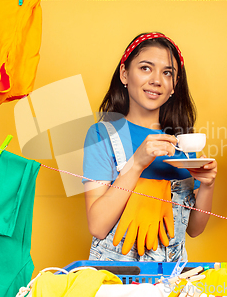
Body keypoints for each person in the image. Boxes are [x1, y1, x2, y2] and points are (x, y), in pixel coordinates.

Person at [82, 32, 217, 262]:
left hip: (171, 280)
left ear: (174, 85)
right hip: (117, 278)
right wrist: (136, 164)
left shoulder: (183, 144)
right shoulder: (102, 135)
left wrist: (207, 185)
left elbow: (194, 229)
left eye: (167, 73)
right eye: (146, 68)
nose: (157, 80)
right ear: (124, 74)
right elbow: (97, 225)